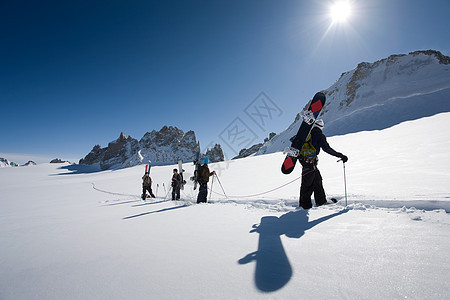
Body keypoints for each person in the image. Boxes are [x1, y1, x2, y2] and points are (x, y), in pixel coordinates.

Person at [298, 119, 348, 209]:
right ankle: (304, 208)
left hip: (307, 163)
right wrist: (340, 155)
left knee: (317, 181)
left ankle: (321, 202)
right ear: (321, 127)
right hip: (310, 164)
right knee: (307, 186)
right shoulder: (318, 135)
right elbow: (327, 148)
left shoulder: (307, 135)